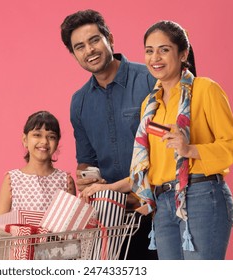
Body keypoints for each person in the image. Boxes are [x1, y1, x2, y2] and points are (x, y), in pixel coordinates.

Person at [81, 20, 233, 260]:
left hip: (201, 196)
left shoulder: (205, 89)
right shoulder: (150, 106)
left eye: (164, 49)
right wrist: (107, 188)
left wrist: (189, 149)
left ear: (183, 53)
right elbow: (150, 169)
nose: (155, 57)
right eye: (149, 50)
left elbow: (232, 146)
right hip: (163, 203)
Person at [60, 9, 158, 260]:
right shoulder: (79, 102)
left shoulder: (149, 80)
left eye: (94, 40)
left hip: (157, 208)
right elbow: (87, 160)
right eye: (79, 47)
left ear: (109, 39)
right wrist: (87, 179)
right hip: (113, 219)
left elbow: (168, 147)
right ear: (73, 55)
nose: (89, 50)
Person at [0, 110, 76, 216]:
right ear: (25, 140)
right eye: (37, 135)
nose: (44, 142)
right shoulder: (11, 180)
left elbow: (71, 224)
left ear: (57, 143)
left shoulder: (66, 181)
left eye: (51, 137)